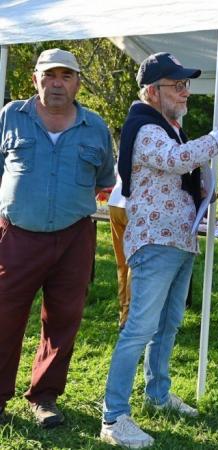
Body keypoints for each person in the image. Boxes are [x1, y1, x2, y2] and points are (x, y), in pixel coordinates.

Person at [99, 52, 218, 448]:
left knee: (167, 325)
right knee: (139, 328)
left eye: (187, 84)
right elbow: (174, 162)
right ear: (153, 91)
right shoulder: (146, 125)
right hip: (156, 241)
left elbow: (180, 170)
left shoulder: (168, 126)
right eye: (178, 85)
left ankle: (157, 394)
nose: (185, 91)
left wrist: (206, 183)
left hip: (177, 239)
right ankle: (114, 416)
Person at [0, 48, 115, 427]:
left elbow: (104, 179)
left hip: (74, 238)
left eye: (66, 76)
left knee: (64, 317)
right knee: (4, 315)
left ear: (78, 83)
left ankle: (44, 397)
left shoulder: (95, 127)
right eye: (49, 75)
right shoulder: (10, 117)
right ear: (35, 79)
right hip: (16, 235)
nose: (56, 83)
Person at [107, 170, 131, 329]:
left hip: (115, 201)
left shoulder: (125, 146)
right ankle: (128, 316)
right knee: (134, 263)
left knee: (122, 263)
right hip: (133, 204)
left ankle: (123, 315)